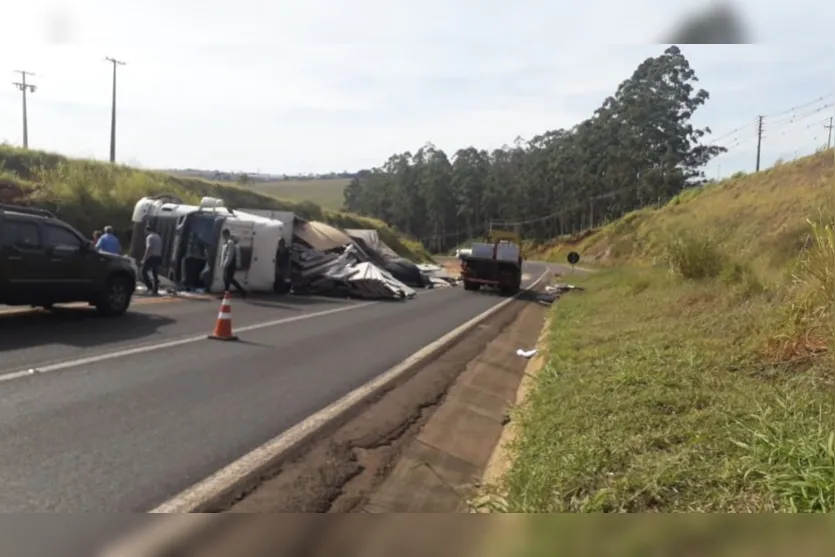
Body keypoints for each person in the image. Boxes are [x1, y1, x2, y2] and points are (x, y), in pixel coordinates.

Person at [220, 228, 246, 298]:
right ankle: (226, 294)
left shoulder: (230, 242)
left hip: (230, 264)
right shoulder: (227, 242)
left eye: (223, 234)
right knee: (226, 279)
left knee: (229, 279)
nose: (222, 236)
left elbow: (229, 254)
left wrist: (225, 263)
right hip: (229, 263)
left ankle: (242, 291)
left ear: (226, 234)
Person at [141, 226, 163, 295]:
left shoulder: (149, 237)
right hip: (158, 256)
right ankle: (155, 289)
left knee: (143, 271)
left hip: (151, 256)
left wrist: (144, 258)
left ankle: (149, 287)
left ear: (147, 230)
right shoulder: (158, 237)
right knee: (155, 273)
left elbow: (149, 247)